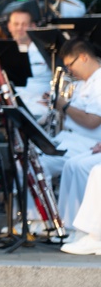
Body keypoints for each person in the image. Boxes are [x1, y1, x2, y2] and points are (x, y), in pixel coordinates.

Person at [46, 39, 101, 226]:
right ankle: (64, 224)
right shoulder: (83, 82)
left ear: (84, 57)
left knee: (73, 166)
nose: (69, 70)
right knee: (33, 161)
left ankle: (72, 226)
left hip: (87, 141)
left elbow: (92, 120)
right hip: (71, 138)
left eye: (71, 64)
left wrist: (64, 105)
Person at [5, 6, 52, 117]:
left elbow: (63, 78)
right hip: (12, 105)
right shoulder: (1, 52)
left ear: (33, 26)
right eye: (16, 24)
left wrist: (53, 98)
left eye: (24, 24)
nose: (20, 28)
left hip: (40, 107)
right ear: (9, 26)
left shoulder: (47, 50)